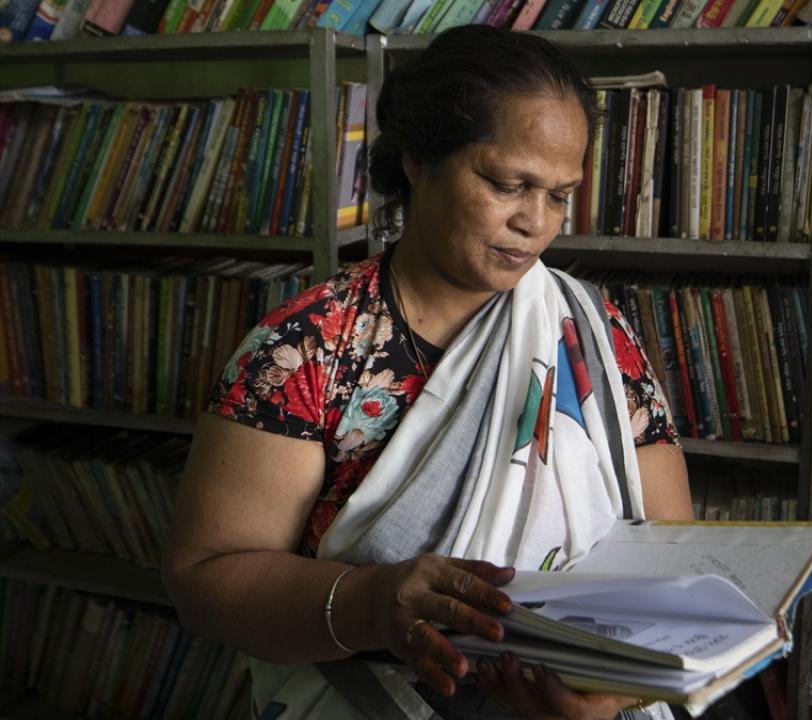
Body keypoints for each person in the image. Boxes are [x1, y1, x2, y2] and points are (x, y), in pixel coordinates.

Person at [162, 25, 692, 720]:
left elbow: (670, 559)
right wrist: (373, 604)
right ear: (417, 159)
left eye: (560, 195)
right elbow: (204, 582)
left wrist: (611, 690)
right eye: (508, 184)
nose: (536, 223)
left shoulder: (592, 331)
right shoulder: (307, 350)